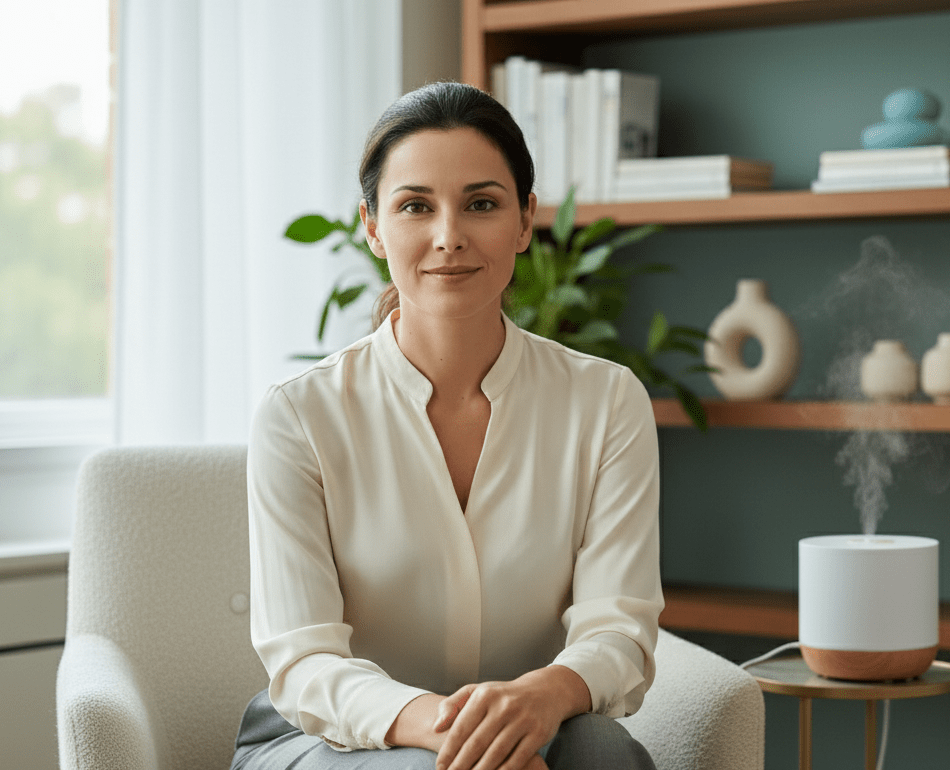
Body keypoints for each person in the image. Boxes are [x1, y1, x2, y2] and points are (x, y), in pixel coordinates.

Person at [231, 81, 663, 770]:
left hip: (532, 722)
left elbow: (619, 626)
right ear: (372, 226)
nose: (448, 236)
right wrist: (454, 727)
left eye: (482, 204)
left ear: (525, 222)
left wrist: (543, 696)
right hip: (329, 737)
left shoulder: (606, 402)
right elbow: (305, 660)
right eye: (414, 206)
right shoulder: (300, 414)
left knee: (606, 757)